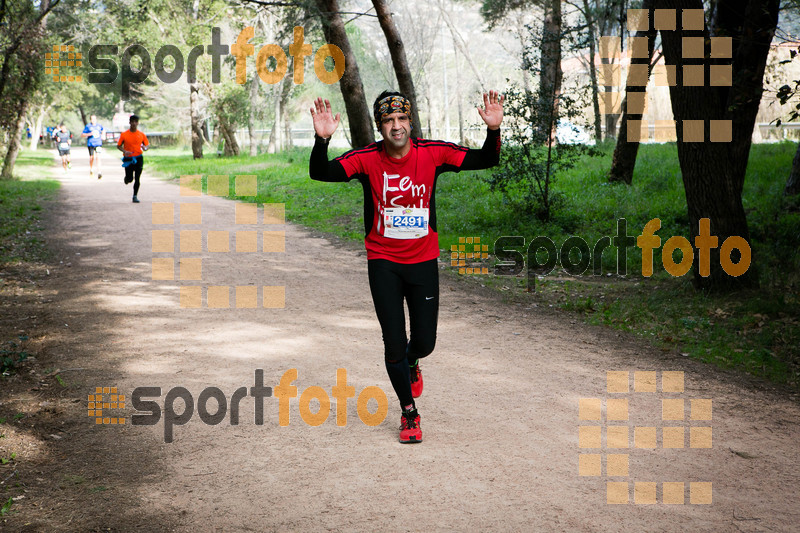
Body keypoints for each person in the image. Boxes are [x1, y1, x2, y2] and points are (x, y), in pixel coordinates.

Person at [309, 90, 504, 443]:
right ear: (379, 126)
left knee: (424, 342)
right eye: (388, 121)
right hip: (383, 261)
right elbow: (320, 172)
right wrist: (322, 140)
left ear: (410, 122)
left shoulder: (433, 153)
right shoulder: (367, 159)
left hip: (423, 260)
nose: (396, 126)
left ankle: (415, 361)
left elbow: (486, 160)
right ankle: (408, 412)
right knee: (394, 343)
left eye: (401, 119)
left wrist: (493, 131)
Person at [116, 115, 149, 203]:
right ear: (129, 122)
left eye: (136, 122)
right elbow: (118, 146)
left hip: (139, 158)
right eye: (132, 121)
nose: (134, 123)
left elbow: (147, 145)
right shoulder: (124, 134)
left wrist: (145, 148)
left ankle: (135, 196)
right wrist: (124, 151)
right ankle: (127, 179)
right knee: (130, 178)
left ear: (138, 123)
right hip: (128, 159)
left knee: (138, 178)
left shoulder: (141, 135)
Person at [81, 114, 106, 179]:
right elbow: (82, 134)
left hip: (98, 143)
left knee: (98, 157)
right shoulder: (88, 126)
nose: (93, 120)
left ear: (96, 119)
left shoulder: (99, 126)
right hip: (91, 144)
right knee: (92, 158)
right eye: (92, 119)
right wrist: (89, 134)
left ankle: (99, 172)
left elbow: (103, 130)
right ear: (90, 120)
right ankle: (91, 169)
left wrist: (103, 135)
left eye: (94, 119)